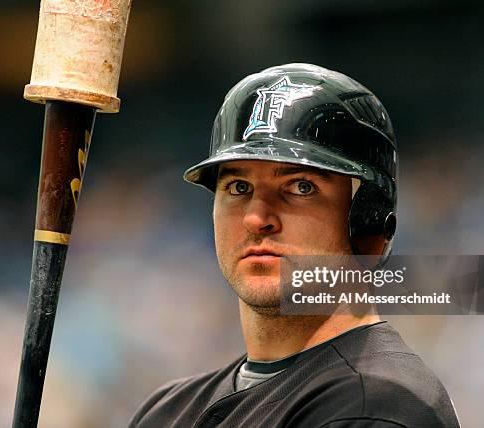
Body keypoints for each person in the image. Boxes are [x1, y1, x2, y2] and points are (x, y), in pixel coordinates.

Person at [129, 63, 460, 427]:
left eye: (301, 187)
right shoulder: (166, 410)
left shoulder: (378, 406)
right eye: (239, 188)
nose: (257, 219)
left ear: (369, 223)